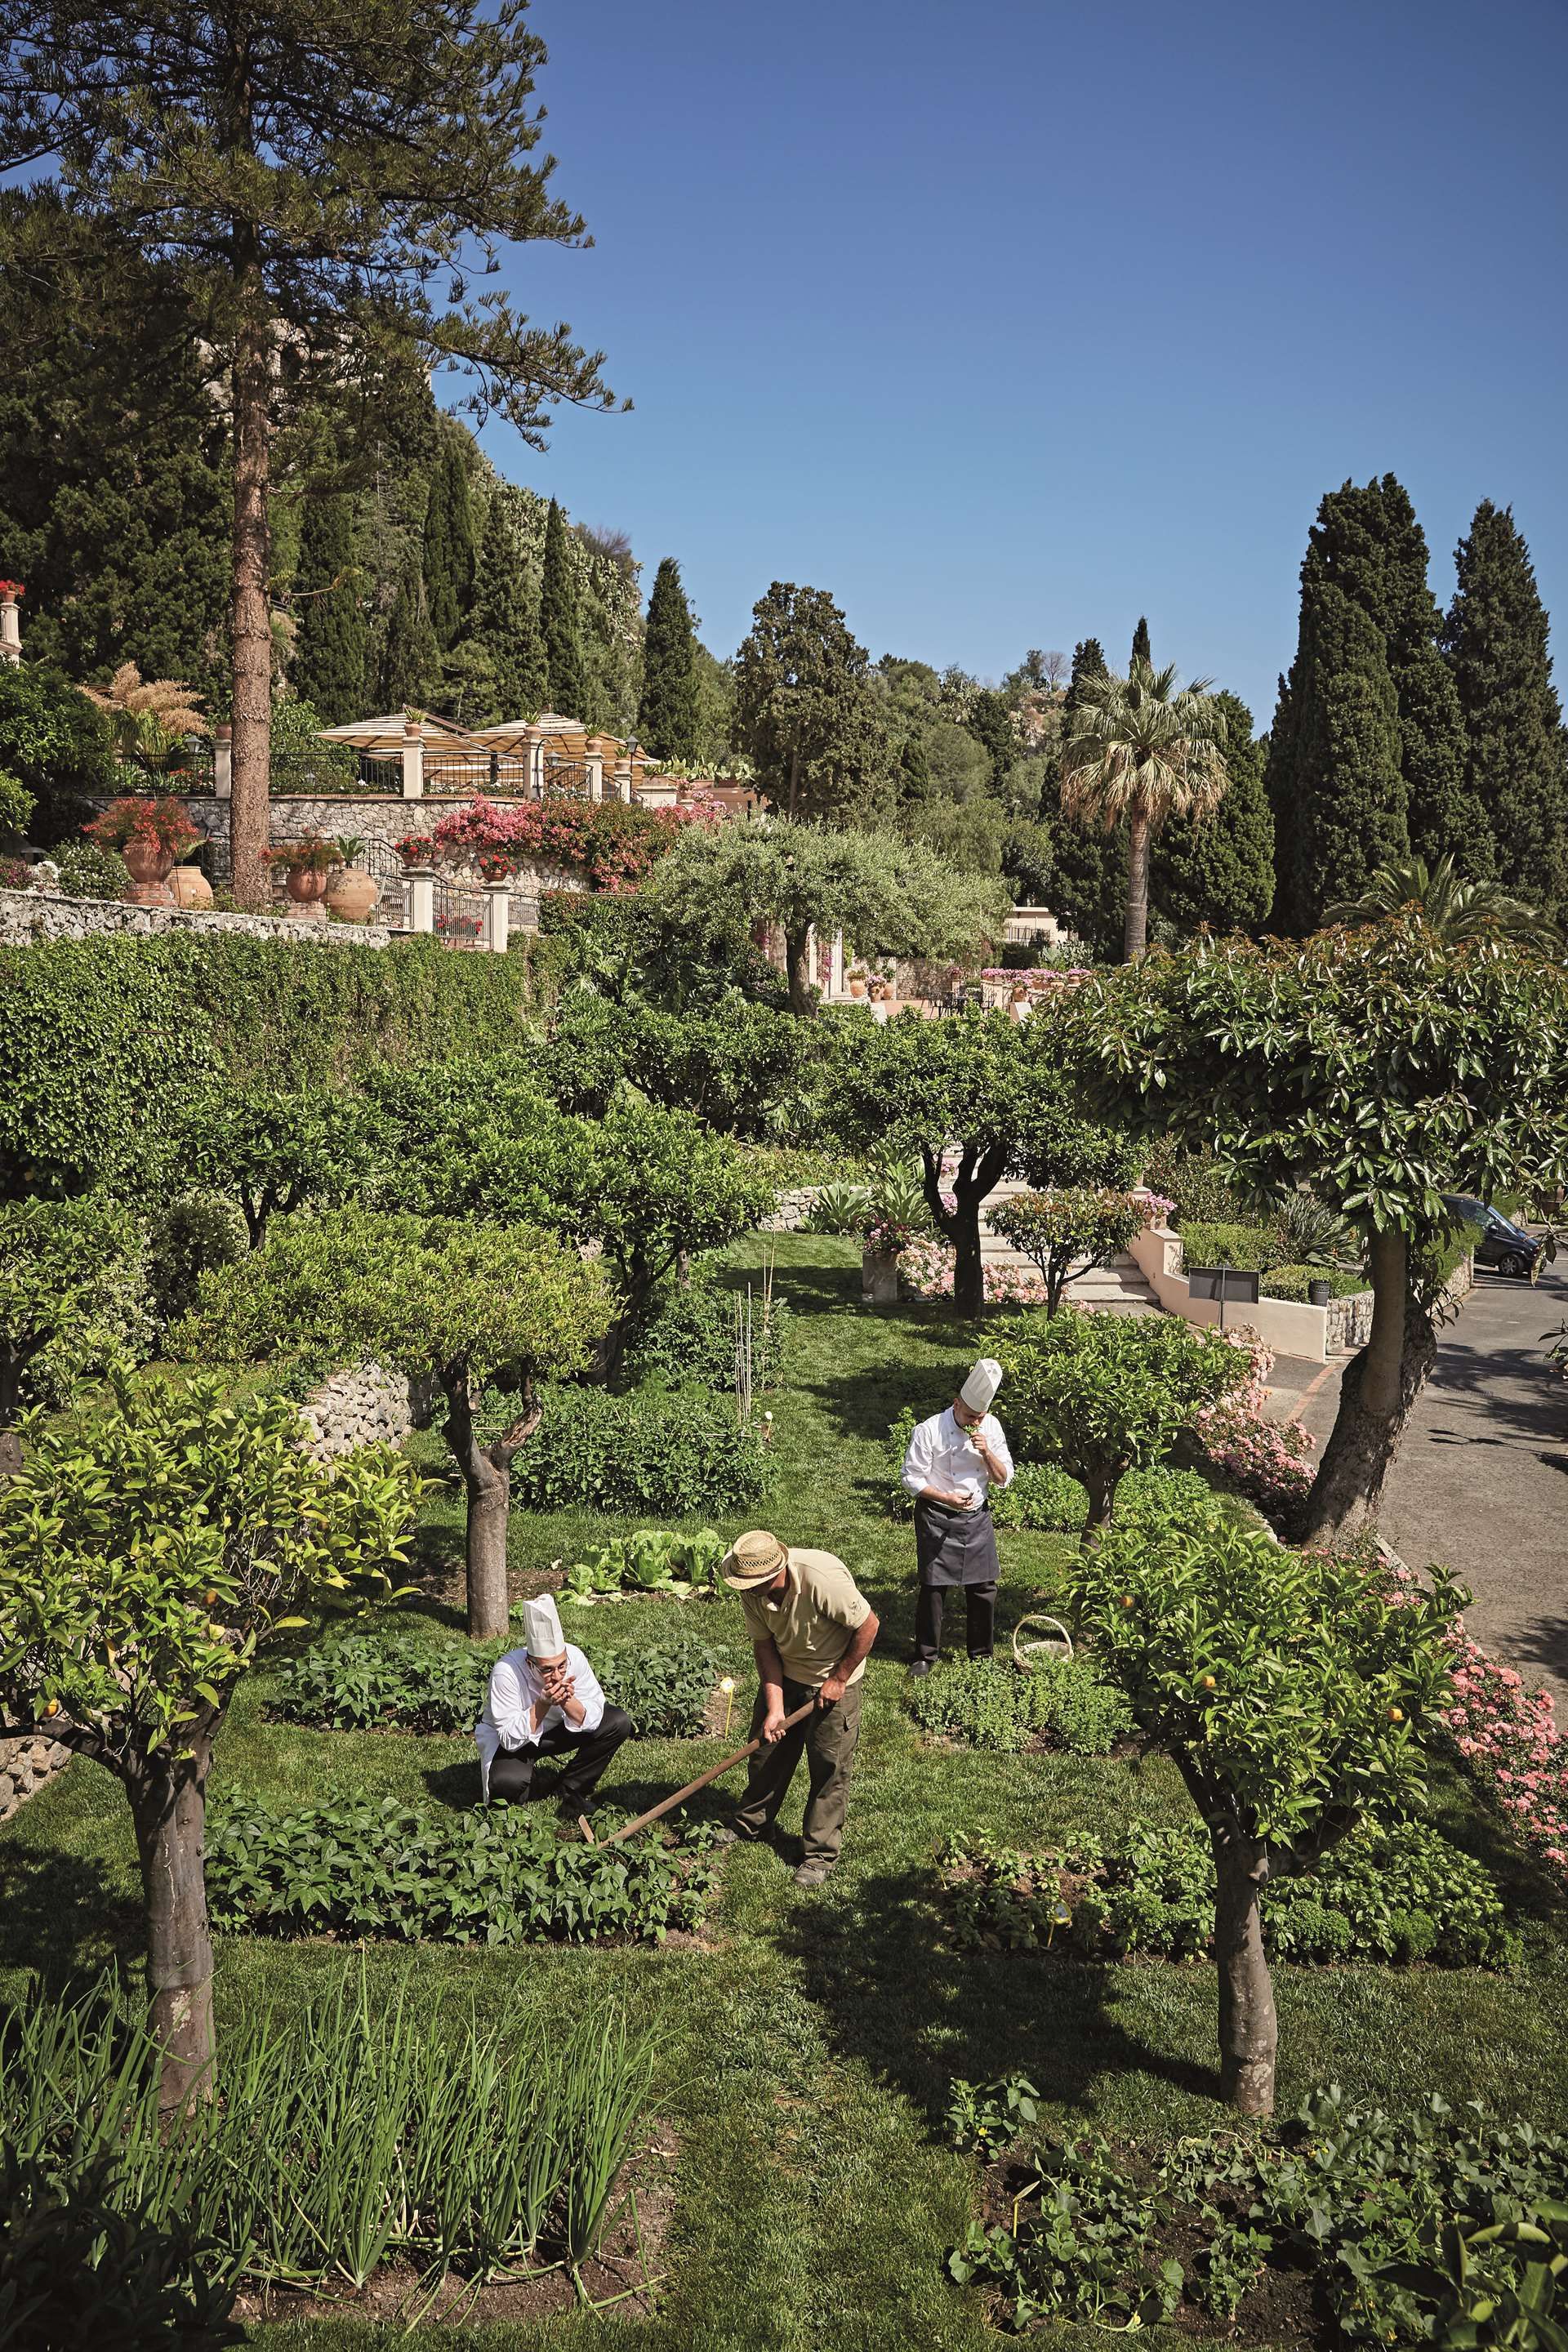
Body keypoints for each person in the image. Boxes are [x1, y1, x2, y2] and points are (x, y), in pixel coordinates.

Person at [715, 1528, 879, 1889]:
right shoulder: (752, 1591)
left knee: (828, 1767)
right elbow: (765, 1648)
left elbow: (869, 1626)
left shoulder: (822, 1580)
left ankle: (819, 1855)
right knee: (766, 1753)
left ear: (775, 1573)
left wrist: (838, 1679)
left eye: (752, 1584)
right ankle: (752, 1825)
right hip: (786, 1675)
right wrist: (775, 1707)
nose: (745, 1590)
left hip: (833, 1679)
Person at [901, 1356, 1013, 1676]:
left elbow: (1003, 1478)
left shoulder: (990, 1428)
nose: (973, 1422)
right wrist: (946, 1496)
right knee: (934, 1587)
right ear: (955, 1404)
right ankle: (925, 1656)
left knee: (983, 1588)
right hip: (937, 1515)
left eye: (979, 1417)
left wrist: (986, 1452)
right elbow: (912, 1479)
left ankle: (981, 1655)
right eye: (968, 1416)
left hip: (976, 1518)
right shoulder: (929, 1431)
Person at [474, 1593, 631, 1816]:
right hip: (516, 1740)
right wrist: (543, 1704)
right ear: (530, 1664)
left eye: (561, 1666)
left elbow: (596, 1711)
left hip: (556, 1732)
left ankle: (572, 1788)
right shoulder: (506, 1672)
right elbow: (509, 1738)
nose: (557, 1675)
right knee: (507, 1783)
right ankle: (532, 1786)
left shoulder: (575, 1657)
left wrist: (568, 1701)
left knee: (617, 1721)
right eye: (547, 1669)